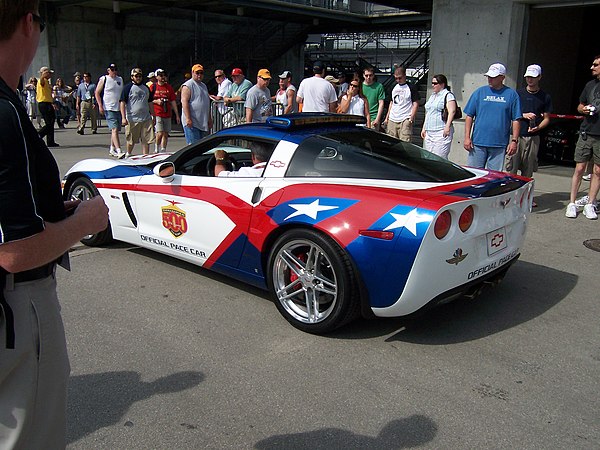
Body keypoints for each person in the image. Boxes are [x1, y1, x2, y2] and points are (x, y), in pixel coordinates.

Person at [0, 4, 109, 448]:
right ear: (28, 22)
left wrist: (45, 206)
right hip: (17, 304)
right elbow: (14, 252)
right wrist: (85, 219)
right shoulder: (4, 113)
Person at [506, 64, 552, 207]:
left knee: (528, 168)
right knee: (511, 167)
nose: (530, 80)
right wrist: (524, 115)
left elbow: (547, 118)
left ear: (539, 77)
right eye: (528, 77)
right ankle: (509, 197)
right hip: (516, 135)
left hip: (533, 137)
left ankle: (525, 197)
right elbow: (510, 113)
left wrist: (538, 127)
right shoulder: (517, 94)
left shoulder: (545, 96)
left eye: (533, 77)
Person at [463, 63, 521, 171]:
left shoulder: (512, 95)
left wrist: (514, 141)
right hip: (478, 142)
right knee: (473, 174)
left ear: (502, 78)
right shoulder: (479, 92)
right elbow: (469, 115)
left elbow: (516, 119)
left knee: (493, 177)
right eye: (489, 77)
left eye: (493, 77)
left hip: (499, 144)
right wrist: (467, 137)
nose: (490, 79)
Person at [565, 54, 600, 220]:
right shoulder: (589, 85)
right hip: (587, 132)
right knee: (579, 168)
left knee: (598, 171)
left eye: (596, 65)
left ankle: (590, 204)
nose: (592, 67)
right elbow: (580, 105)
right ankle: (571, 203)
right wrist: (583, 109)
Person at [119, 67, 156, 157]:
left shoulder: (146, 88)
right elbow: (122, 103)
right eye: (136, 76)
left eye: (140, 76)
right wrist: (123, 118)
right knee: (131, 140)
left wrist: (153, 115)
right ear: (132, 77)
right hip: (132, 119)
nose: (138, 78)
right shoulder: (127, 88)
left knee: (146, 140)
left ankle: (146, 157)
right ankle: (129, 154)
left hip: (146, 118)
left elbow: (150, 102)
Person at [420, 74, 457, 158]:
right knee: (428, 157)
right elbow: (429, 112)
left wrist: (447, 127)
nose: (433, 85)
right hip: (429, 131)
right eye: (432, 83)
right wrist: (424, 127)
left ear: (442, 84)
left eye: (435, 83)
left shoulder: (448, 95)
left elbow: (452, 111)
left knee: (439, 157)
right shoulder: (432, 96)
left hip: (441, 131)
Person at [384, 66, 420, 142]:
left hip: (405, 118)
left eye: (400, 78)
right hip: (393, 118)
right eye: (396, 78)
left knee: (405, 142)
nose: (398, 80)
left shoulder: (411, 87)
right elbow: (391, 102)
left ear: (404, 76)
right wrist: (387, 117)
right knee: (391, 142)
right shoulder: (393, 86)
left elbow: (415, 103)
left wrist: (411, 117)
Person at [95, 63, 124, 158]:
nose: (114, 71)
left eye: (115, 69)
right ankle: (119, 150)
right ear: (108, 70)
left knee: (115, 130)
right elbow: (97, 92)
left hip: (118, 107)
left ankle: (112, 148)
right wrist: (100, 105)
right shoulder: (104, 79)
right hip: (108, 107)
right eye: (112, 70)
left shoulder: (120, 79)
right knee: (114, 129)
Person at [181, 63, 212, 145]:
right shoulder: (188, 85)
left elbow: (206, 103)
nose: (199, 75)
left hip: (202, 122)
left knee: (201, 147)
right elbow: (184, 102)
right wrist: (188, 118)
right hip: (192, 123)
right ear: (192, 73)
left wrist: (209, 118)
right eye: (197, 73)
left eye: (201, 73)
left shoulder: (204, 86)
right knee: (193, 147)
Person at [151, 68, 180, 152]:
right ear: (157, 77)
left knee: (166, 133)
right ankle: (156, 148)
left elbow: (173, 101)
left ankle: (163, 149)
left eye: (164, 75)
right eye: (160, 75)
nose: (163, 77)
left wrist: (177, 115)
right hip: (158, 113)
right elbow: (148, 99)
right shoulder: (153, 87)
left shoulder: (169, 87)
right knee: (159, 132)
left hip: (167, 112)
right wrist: (156, 101)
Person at [36, 66, 59, 146]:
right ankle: (38, 135)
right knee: (49, 123)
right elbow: (41, 81)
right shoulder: (42, 81)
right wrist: (43, 75)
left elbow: (48, 94)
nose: (50, 75)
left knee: (51, 122)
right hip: (44, 104)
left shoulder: (47, 82)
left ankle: (50, 141)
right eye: (49, 73)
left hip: (48, 103)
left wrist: (53, 103)